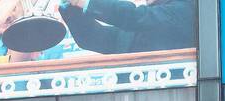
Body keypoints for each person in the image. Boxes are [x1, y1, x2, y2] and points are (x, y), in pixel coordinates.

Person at [59, 0, 195, 56]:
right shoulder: (139, 27)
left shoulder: (188, 9)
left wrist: (88, 2)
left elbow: (135, 16)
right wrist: (71, 7)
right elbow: (94, 38)